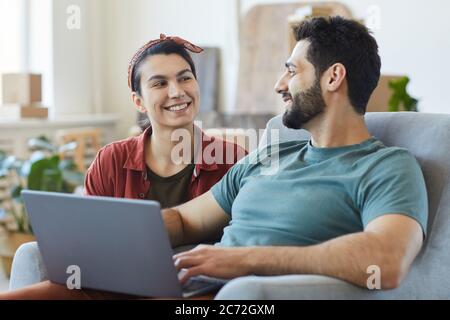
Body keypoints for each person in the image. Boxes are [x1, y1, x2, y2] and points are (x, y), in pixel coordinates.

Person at [1, 16, 427, 299]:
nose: (280, 83)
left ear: (334, 77)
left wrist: (242, 259)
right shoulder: (268, 158)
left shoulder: (387, 167)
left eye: (292, 70)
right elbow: (186, 220)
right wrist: (110, 238)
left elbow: (385, 260)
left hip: (233, 296)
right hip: (184, 284)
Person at [85, 34, 246, 208]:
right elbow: (88, 231)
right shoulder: (110, 161)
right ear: (139, 102)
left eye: (185, 78)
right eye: (160, 83)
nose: (177, 92)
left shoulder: (235, 161)